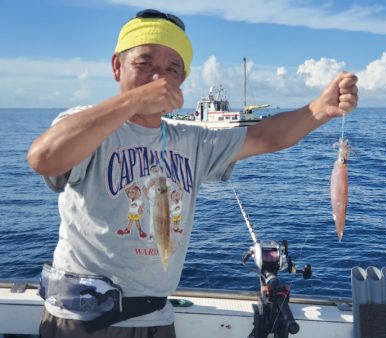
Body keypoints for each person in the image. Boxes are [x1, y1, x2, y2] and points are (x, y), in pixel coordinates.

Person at [27, 8, 358, 338]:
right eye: (144, 63)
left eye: (172, 68)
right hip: (81, 322)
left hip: (156, 319)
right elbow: (44, 158)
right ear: (117, 66)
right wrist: (131, 101)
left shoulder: (192, 140)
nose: (159, 77)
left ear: (182, 79)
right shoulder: (87, 124)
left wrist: (319, 110)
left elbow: (266, 136)